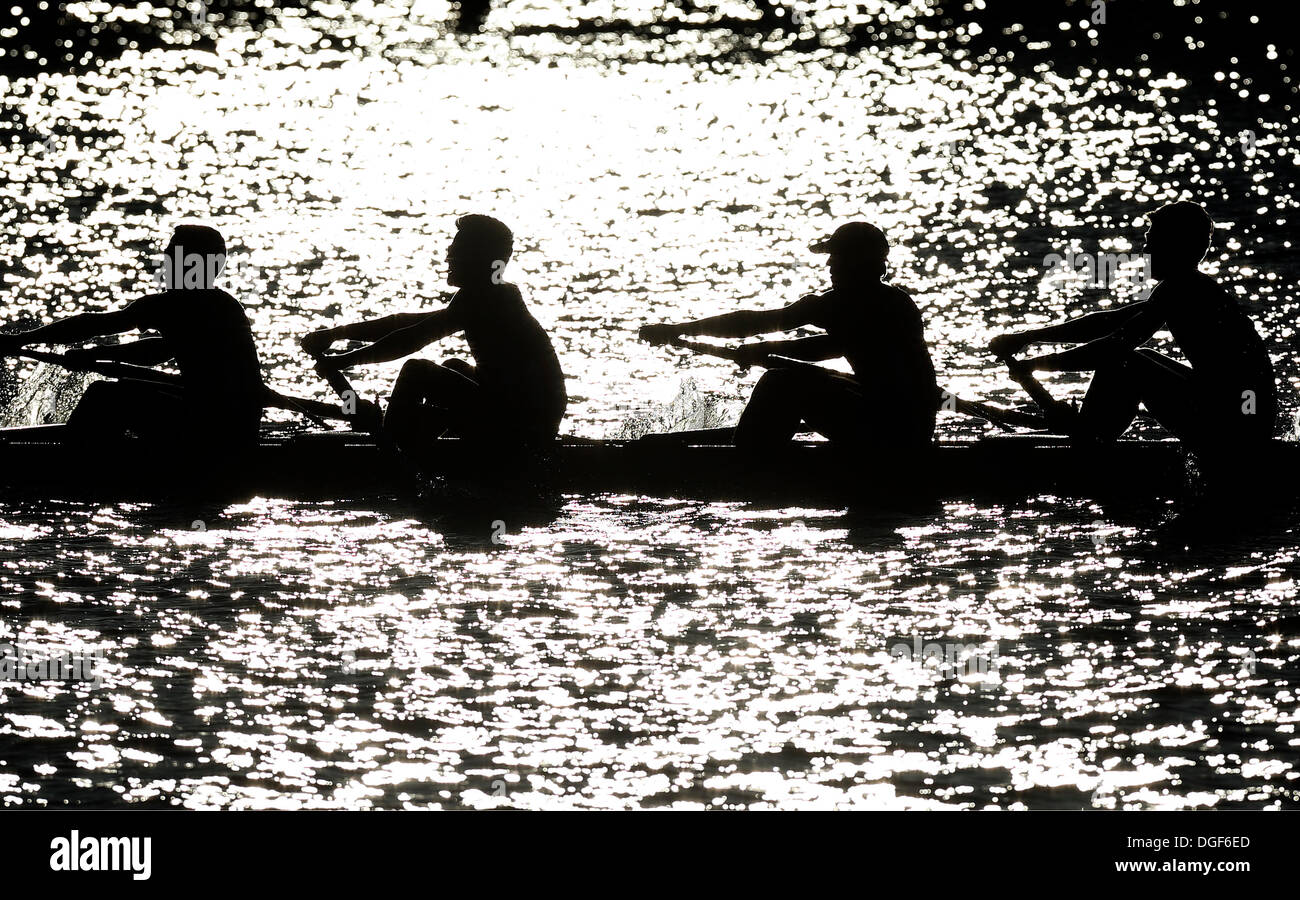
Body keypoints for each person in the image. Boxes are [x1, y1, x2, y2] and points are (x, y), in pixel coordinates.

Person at [989, 201, 1277, 452]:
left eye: (1153, 241)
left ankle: (1088, 443)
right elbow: (1107, 322)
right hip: (1243, 416)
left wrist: (1036, 365)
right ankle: (1089, 433)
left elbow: (1116, 344)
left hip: (1238, 425)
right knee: (1143, 357)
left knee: (1124, 361)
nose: (1145, 249)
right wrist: (1027, 337)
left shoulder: (1181, 289)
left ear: (1175, 246)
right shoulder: (1185, 287)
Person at [639, 221, 938, 449]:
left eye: (837, 257)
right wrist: (679, 331)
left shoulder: (865, 306)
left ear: (859, 262)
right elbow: (755, 323)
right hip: (910, 423)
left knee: (777, 383)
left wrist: (762, 350)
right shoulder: (895, 302)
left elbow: (818, 345)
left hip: (890, 429)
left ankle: (748, 469)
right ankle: (763, 451)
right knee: (796, 376)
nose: (829, 265)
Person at [303, 214, 567, 452]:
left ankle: (391, 450)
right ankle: (420, 446)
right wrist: (337, 333)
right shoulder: (490, 294)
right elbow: (403, 324)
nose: (448, 254)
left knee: (417, 371)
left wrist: (342, 361)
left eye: (458, 248)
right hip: (521, 415)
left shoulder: (484, 298)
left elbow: (411, 339)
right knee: (452, 366)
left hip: (525, 426)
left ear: (479, 258)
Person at [0, 225, 265, 454]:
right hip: (238, 422)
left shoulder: (177, 304)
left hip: (214, 427)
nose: (164, 263)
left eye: (172, 256)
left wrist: (21, 340)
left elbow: (95, 324)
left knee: (104, 396)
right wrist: (96, 354)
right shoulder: (226, 305)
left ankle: (70, 472)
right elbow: (161, 350)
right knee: (126, 387)